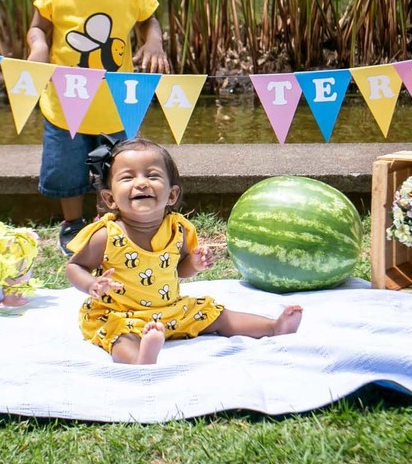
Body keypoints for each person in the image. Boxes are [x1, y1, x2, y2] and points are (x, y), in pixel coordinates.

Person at [65, 138, 303, 365]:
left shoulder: (177, 229)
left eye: (152, 175)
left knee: (214, 313)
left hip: (170, 310)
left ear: (171, 195)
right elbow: (75, 266)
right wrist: (91, 285)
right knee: (119, 335)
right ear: (110, 198)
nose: (141, 183)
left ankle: (273, 327)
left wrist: (195, 264)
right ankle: (140, 358)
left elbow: (181, 270)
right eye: (128, 177)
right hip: (120, 313)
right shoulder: (107, 235)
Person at [27, 0, 172, 250]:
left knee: (119, 166)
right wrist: (38, 48)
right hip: (64, 100)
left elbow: (148, 20)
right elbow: (37, 28)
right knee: (66, 167)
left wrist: (153, 42)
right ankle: (72, 224)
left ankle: (112, 220)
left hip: (116, 100)